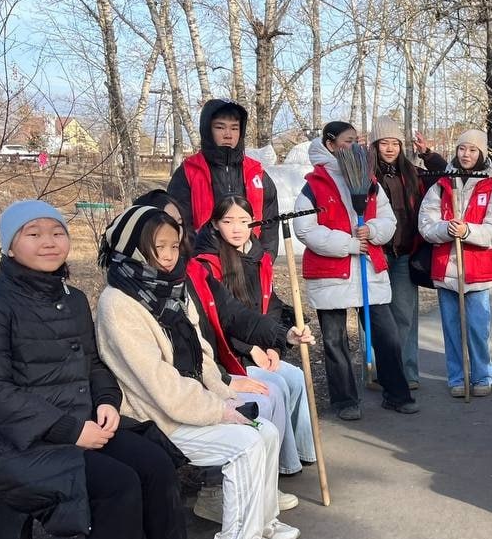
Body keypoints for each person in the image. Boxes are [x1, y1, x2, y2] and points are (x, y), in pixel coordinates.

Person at [0, 201, 215, 539]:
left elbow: (95, 364)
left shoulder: (71, 299)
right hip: (20, 446)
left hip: (80, 427)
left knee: (154, 460)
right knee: (117, 483)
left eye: (56, 232)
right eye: (33, 233)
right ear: (9, 245)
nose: (48, 242)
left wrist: (106, 401)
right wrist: (69, 429)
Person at [96, 206, 299, 539]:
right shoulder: (118, 304)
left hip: (188, 404)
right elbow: (158, 382)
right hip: (156, 418)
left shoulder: (170, 289)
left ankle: (261, 521)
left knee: (265, 432)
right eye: (159, 246)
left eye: (175, 245)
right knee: (248, 443)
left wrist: (223, 392)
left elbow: (201, 355)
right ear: (135, 247)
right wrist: (216, 410)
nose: (170, 255)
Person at [133, 189, 310, 517]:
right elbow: (171, 362)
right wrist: (227, 380)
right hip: (168, 400)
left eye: (178, 225)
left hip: (213, 370)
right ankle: (221, 492)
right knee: (264, 398)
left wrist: (282, 334)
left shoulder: (190, 274)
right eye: (163, 227)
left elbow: (235, 315)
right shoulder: (132, 296)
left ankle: (259, 491)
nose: (174, 236)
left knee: (271, 394)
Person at [295, 122, 418, 419]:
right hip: (331, 272)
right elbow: (304, 227)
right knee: (335, 340)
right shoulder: (315, 183)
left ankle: (396, 392)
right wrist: (348, 243)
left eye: (357, 140)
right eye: (349, 141)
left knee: (386, 334)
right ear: (330, 144)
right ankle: (345, 400)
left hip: (368, 269)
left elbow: (388, 219)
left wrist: (373, 230)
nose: (356, 146)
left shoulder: (369, 180)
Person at [194, 195, 318, 475]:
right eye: (228, 221)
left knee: (296, 377)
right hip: (230, 353)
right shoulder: (207, 265)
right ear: (214, 224)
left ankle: (301, 452)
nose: (237, 228)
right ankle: (282, 464)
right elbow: (226, 318)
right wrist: (253, 349)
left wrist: (275, 345)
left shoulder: (258, 257)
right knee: (278, 385)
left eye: (243, 221)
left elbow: (269, 305)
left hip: (259, 344)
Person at [416, 129, 492, 397]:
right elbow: (426, 223)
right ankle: (456, 377)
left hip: (477, 271)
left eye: (472, 150)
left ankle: (482, 375)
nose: (466, 154)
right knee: (452, 328)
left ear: (481, 153)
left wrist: (468, 232)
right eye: (462, 149)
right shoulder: (442, 185)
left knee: (478, 328)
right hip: (447, 268)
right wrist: (447, 228)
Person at [167, 98, 280, 258]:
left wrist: (264, 259)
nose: (228, 134)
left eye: (234, 128)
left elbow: (270, 225)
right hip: (204, 264)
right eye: (220, 127)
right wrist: (197, 261)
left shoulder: (257, 173)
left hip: (251, 263)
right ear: (208, 129)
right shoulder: (189, 172)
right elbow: (178, 224)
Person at [369, 118, 425, 389]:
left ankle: (407, 372)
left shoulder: (411, 173)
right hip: (375, 254)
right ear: (375, 145)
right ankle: (383, 372)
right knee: (379, 317)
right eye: (384, 143)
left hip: (403, 252)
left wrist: (427, 153)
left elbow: (442, 175)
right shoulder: (365, 175)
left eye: (395, 143)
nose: (390, 148)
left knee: (404, 314)